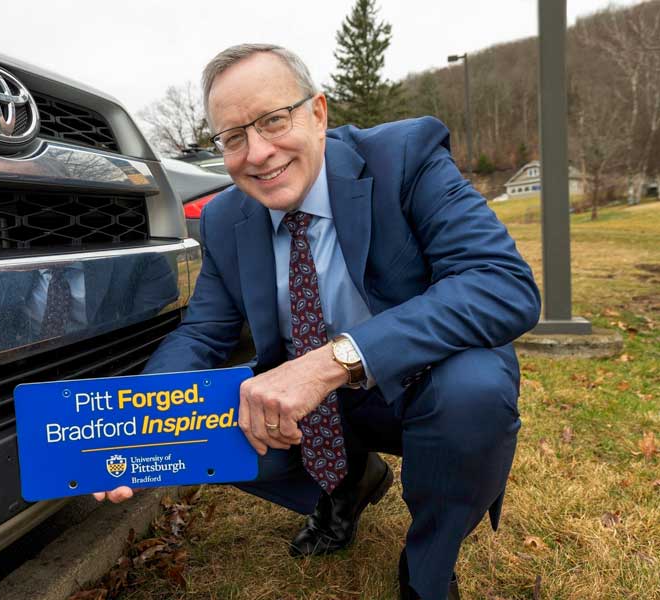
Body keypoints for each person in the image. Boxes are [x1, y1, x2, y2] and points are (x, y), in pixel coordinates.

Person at [94, 43, 540, 600]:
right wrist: (135, 426)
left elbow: (502, 283)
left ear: (318, 112)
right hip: (314, 413)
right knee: (207, 411)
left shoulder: (405, 155)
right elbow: (202, 334)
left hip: (420, 382)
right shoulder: (225, 218)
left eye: (273, 120)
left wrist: (335, 360)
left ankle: (427, 565)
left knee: (474, 389)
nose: (257, 153)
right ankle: (349, 483)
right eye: (233, 138)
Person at [0, 253, 179, 370]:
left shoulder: (138, 264)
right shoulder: (7, 269)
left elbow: (158, 337)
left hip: (99, 371)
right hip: (23, 364)